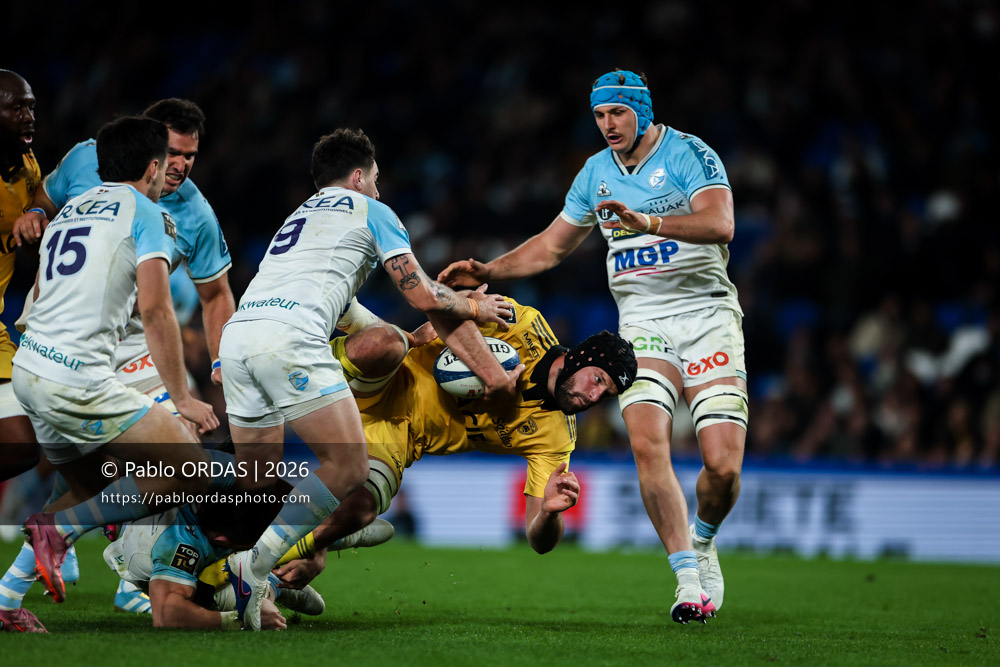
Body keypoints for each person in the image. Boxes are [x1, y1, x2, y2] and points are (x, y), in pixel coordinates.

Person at [438, 69, 748, 624]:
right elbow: (553, 247)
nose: (608, 125)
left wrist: (647, 220)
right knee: (648, 443)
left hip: (707, 317)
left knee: (722, 469)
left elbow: (722, 223)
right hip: (643, 322)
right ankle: (685, 578)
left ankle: (703, 539)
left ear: (642, 111)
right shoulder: (595, 173)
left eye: (618, 114)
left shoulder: (688, 154)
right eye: (600, 116)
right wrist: (492, 267)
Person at [219, 128, 521, 631]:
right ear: (358, 177)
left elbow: (346, 308)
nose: (380, 191)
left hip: (239, 340)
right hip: (291, 340)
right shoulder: (372, 212)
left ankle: (238, 589)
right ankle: (252, 569)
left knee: (255, 489)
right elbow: (423, 292)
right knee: (349, 465)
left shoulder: (297, 219)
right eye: (376, 180)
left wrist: (405, 337)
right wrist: (476, 305)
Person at [203, 300, 637, 592]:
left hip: (399, 437)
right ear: (581, 358)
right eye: (598, 379)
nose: (595, 398)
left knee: (361, 507)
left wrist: (548, 513)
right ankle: (261, 379)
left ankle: (247, 573)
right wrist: (458, 308)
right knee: (382, 343)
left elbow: (539, 541)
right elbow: (444, 302)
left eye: (607, 395)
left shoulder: (557, 436)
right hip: (392, 375)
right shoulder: (522, 323)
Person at [7, 117, 235, 623]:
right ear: (152, 166)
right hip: (80, 377)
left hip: (29, 368)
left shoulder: (71, 210)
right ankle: (67, 536)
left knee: (90, 486)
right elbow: (157, 310)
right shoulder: (146, 212)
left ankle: (5, 599)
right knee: (188, 467)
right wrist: (183, 398)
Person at [12, 98, 235, 408]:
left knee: (183, 426)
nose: (181, 166)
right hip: (60, 328)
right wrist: (36, 210)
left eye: (189, 157)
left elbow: (216, 295)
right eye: (172, 153)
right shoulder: (88, 158)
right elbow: (48, 194)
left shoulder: (196, 214)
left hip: (128, 338)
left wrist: (221, 360)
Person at [0, 70, 40, 480]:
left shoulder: (28, 169)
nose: (28, 115)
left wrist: (37, 220)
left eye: (30, 106)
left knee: (23, 445)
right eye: (16, 107)